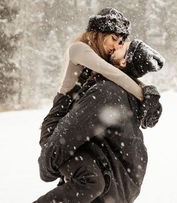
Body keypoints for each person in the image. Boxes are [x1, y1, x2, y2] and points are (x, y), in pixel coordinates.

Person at [35, 39, 164, 202]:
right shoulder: (127, 95)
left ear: (123, 62)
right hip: (118, 189)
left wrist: (47, 168)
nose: (117, 45)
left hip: (106, 189)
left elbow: (65, 137)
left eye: (122, 46)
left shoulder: (106, 92)